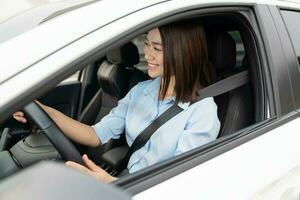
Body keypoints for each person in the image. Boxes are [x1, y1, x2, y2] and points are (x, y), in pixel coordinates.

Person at [13, 19, 220, 183]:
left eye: (157, 49)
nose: (147, 54)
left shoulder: (202, 111)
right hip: (126, 179)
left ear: (182, 53)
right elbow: (95, 135)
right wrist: (44, 111)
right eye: (147, 44)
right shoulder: (140, 91)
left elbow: (182, 183)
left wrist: (111, 184)